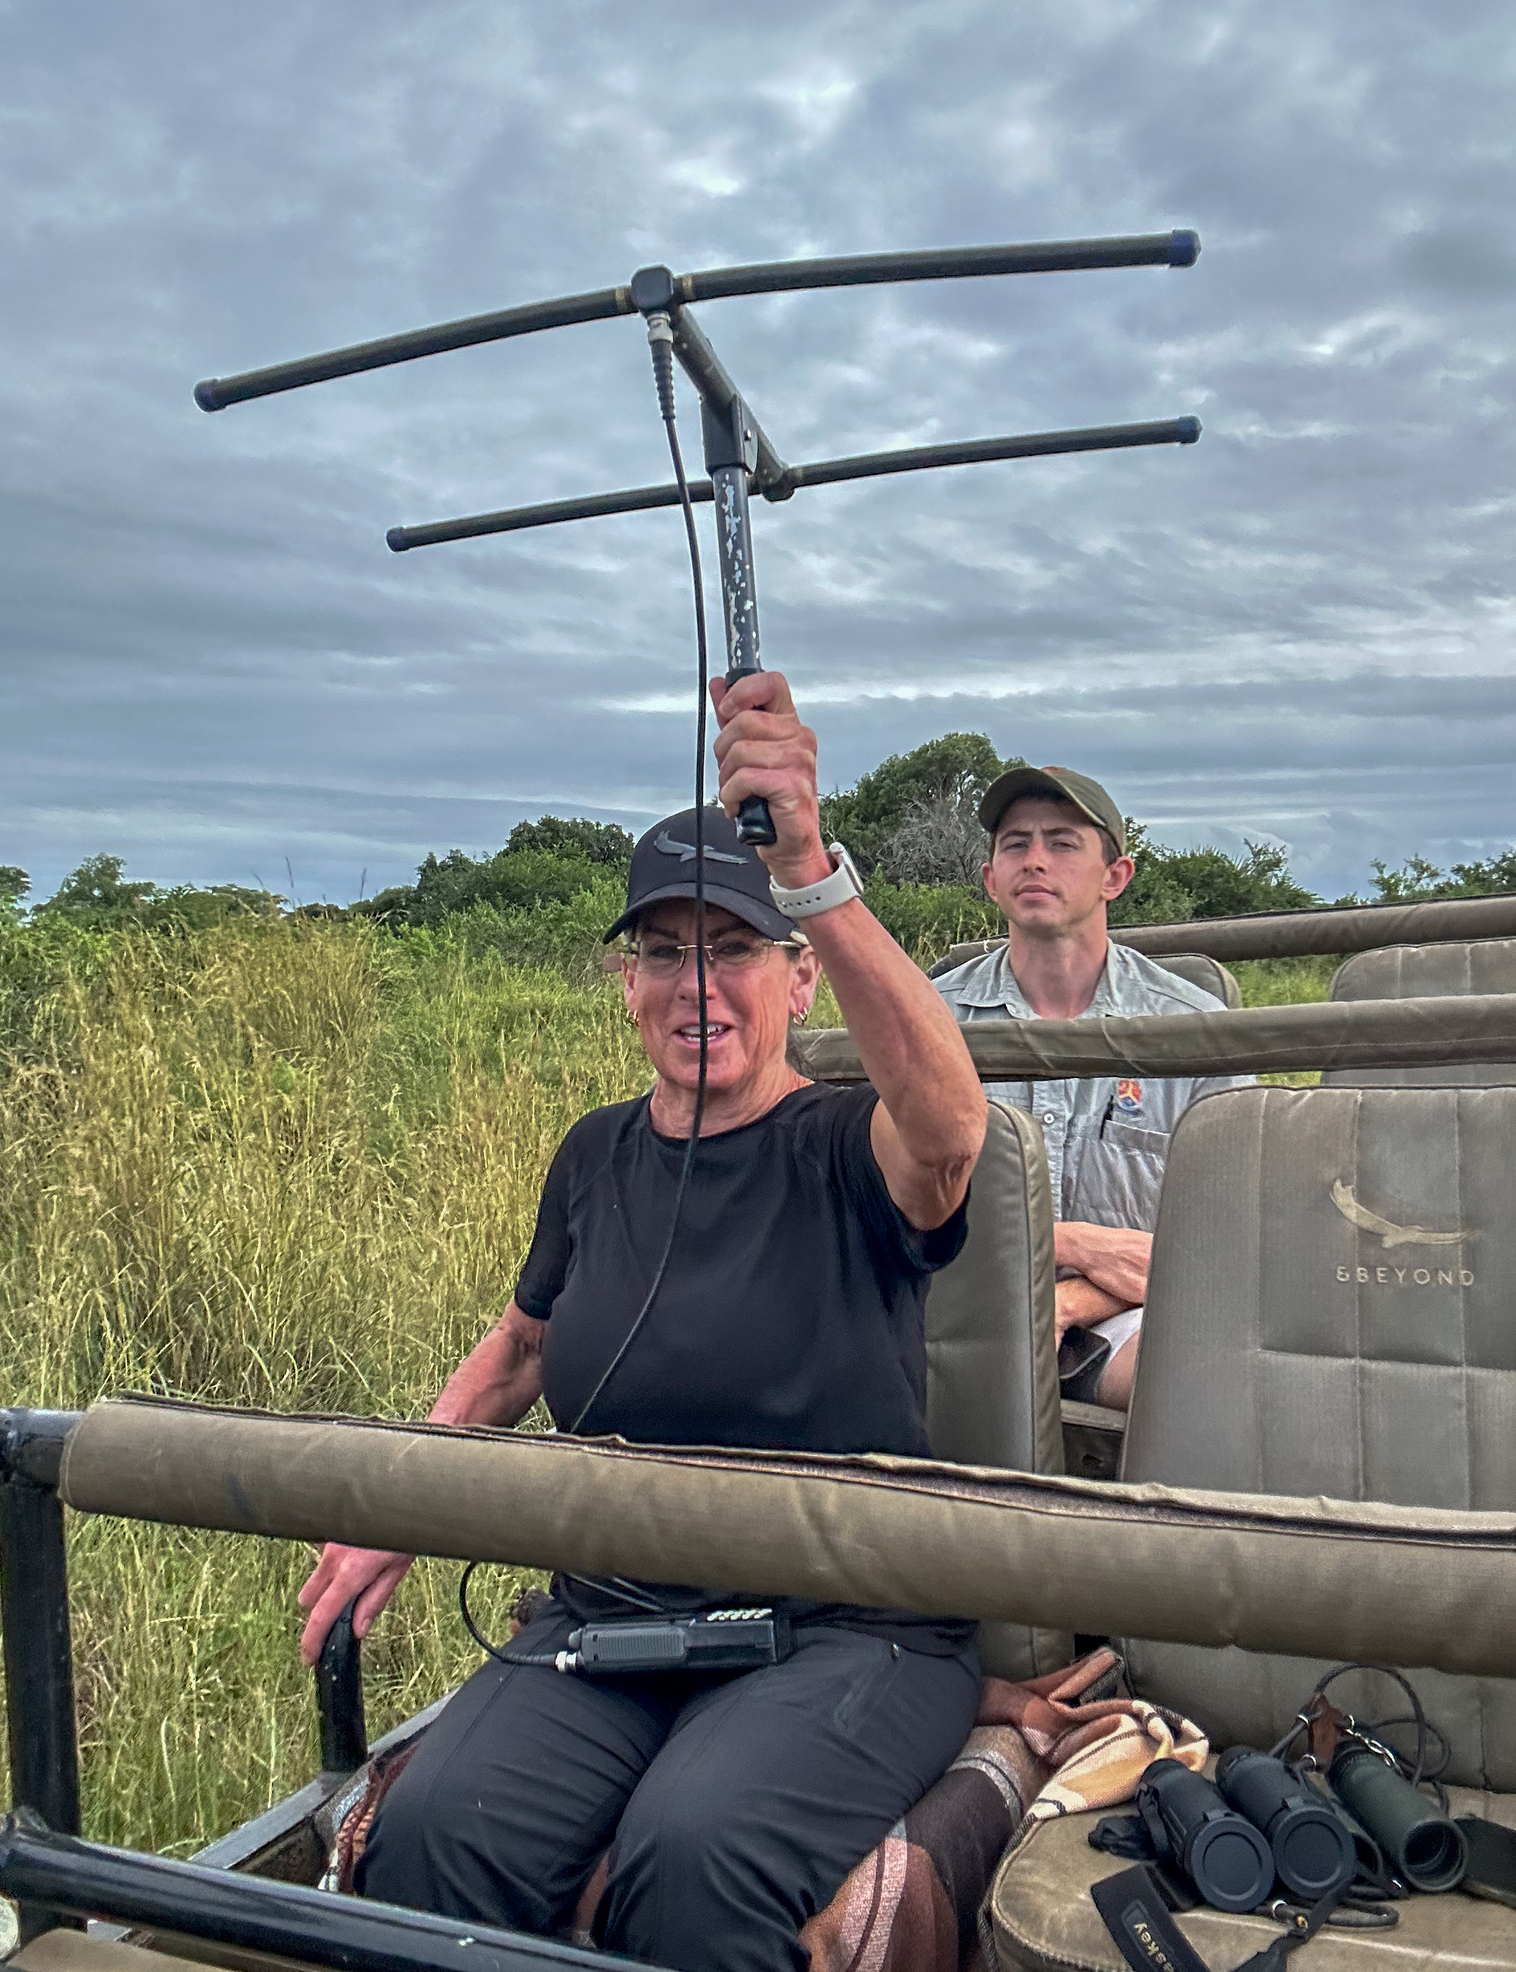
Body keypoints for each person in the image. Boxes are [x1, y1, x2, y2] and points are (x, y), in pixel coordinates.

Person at [297, 670, 989, 1972]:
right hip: (609, 1618)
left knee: (696, 1856)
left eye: (731, 948)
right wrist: (393, 1505)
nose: (697, 987)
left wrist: (816, 868)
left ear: (797, 977)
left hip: (847, 1626)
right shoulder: (596, 1156)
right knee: (434, 1834)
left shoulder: (848, 1145)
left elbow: (953, 1129)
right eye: (663, 952)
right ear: (625, 984)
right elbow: (519, 1351)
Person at [933, 766, 1251, 1411]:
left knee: (1206, 1379)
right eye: (1015, 843)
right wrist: (1072, 1244)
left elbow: (1229, 1240)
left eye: (1063, 842)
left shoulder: (1194, 1031)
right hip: (950, 1304)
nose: (1035, 860)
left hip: (1130, 1313)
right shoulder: (928, 1020)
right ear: (991, 879)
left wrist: (1072, 1300)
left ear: (1116, 877)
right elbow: (880, 1210)